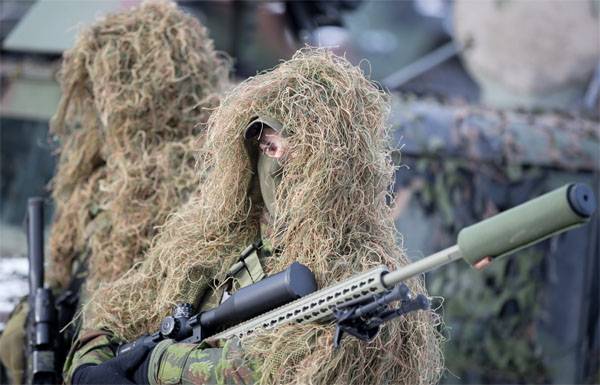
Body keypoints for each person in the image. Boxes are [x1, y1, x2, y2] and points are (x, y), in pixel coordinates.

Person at [68, 49, 443, 385]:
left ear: (337, 163)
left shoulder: (361, 273)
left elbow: (286, 369)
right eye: (268, 146)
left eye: (298, 150)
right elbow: (115, 316)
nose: (277, 163)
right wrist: (92, 366)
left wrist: (164, 365)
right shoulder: (206, 238)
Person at [0, 1, 228, 383]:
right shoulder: (97, 175)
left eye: (122, 88)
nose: (106, 110)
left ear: (158, 93)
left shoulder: (209, 185)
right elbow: (67, 277)